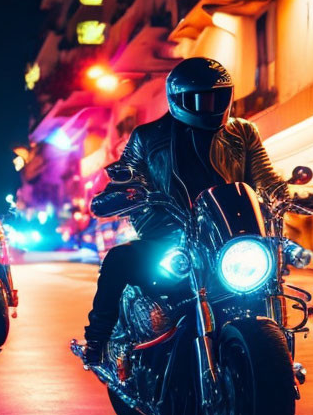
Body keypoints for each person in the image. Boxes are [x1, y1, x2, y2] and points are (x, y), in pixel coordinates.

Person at [81, 56, 289, 363]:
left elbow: (266, 178)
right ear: (178, 99)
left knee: (272, 281)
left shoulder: (243, 133)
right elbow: (126, 175)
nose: (210, 105)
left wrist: (288, 196)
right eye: (200, 99)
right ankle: (96, 342)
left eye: (217, 97)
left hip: (230, 237)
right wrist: (120, 195)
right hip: (169, 237)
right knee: (118, 260)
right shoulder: (147, 137)